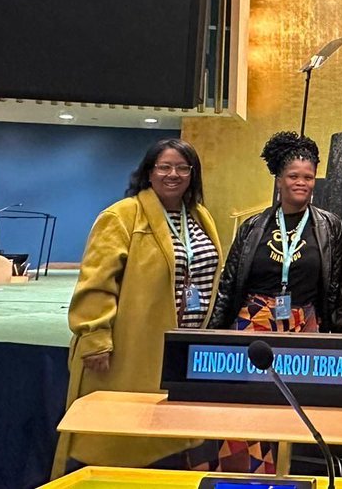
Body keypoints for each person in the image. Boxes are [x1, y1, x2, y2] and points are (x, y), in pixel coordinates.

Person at [52, 139, 221, 477]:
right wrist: (96, 335)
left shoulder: (200, 216)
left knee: (168, 434)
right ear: (148, 172)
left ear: (193, 174)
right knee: (120, 435)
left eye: (182, 168)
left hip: (182, 342)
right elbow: (96, 281)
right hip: (132, 343)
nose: (173, 174)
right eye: (164, 167)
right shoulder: (122, 215)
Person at [209, 131, 342, 332]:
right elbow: (228, 285)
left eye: (308, 177)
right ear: (279, 180)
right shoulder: (252, 227)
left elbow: (335, 287)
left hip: (305, 322)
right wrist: (213, 333)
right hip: (254, 320)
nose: (301, 182)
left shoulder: (330, 226)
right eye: (293, 176)